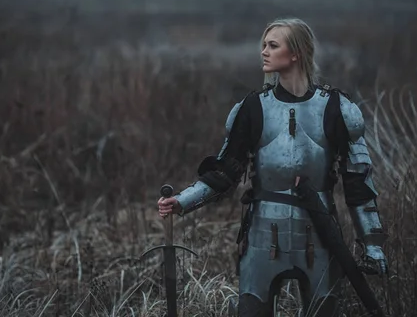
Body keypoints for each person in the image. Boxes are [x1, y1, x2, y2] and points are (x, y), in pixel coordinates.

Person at [157, 17, 388, 317]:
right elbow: (225, 172)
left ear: (296, 54)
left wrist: (372, 245)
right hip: (262, 236)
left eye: (272, 45)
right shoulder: (252, 108)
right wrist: (182, 201)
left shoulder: (338, 109)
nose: (263, 51)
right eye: (263, 45)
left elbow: (358, 182)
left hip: (319, 234)